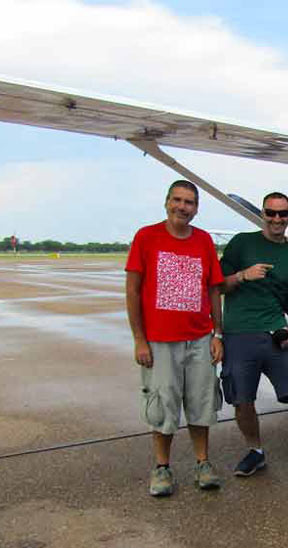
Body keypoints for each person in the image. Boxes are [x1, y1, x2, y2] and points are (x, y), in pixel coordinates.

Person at [125, 180, 225, 497]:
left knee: (201, 404)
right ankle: (162, 468)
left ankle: (203, 463)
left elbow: (213, 290)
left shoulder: (204, 241)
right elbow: (132, 291)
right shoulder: (146, 237)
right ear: (167, 202)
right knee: (163, 406)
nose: (183, 207)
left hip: (198, 339)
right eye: (177, 200)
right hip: (159, 340)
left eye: (190, 202)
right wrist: (140, 339)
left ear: (197, 208)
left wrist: (217, 333)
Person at [219, 192, 288, 486]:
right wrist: (243, 276)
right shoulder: (242, 243)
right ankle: (255, 450)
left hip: (276, 332)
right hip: (239, 333)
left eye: (282, 214)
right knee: (242, 399)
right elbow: (218, 285)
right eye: (271, 213)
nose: (277, 219)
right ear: (263, 214)